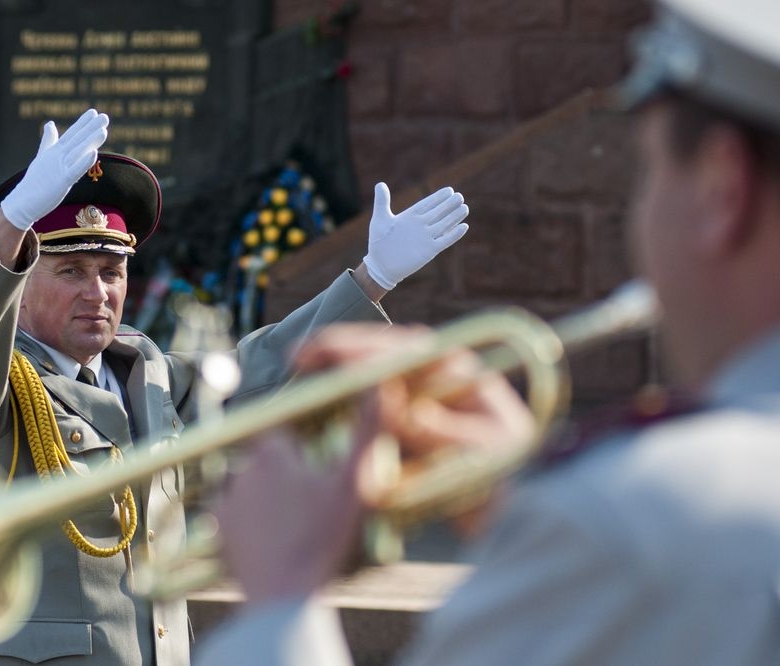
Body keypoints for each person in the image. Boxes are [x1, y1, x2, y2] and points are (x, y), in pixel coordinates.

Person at [194, 0, 780, 663]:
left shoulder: (628, 516)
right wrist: (530, 505)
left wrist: (280, 603)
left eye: (648, 171)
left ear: (721, 189)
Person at [0, 106, 471, 666]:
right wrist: (11, 225)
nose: (97, 293)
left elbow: (263, 370)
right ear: (19, 285)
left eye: (111, 272)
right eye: (71, 271)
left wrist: (372, 279)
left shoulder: (146, 372)